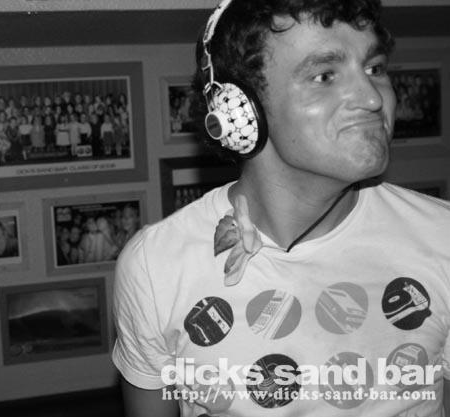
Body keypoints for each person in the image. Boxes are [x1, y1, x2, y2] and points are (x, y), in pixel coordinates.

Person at [112, 0, 450, 416]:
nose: (372, 98)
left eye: (375, 68)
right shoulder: (155, 267)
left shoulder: (442, 238)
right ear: (239, 111)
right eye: (325, 76)